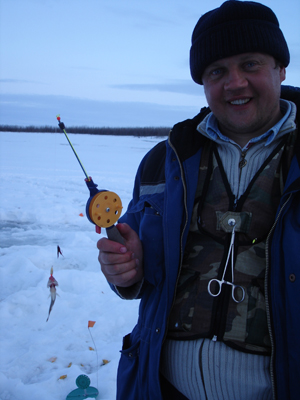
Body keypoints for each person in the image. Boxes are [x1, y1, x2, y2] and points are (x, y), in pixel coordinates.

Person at [98, 1, 300, 399]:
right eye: (217, 71)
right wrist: (128, 270)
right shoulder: (165, 160)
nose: (234, 82)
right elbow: (143, 276)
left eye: (250, 64)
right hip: (163, 387)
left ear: (280, 69)